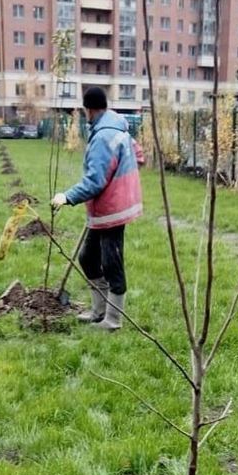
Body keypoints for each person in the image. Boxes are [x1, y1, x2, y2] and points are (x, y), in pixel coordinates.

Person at [51, 87, 143, 330]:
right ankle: (99, 311)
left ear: (88, 109)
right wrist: (124, 177)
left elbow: (95, 181)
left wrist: (66, 196)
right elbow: (139, 156)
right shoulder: (118, 129)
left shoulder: (103, 136)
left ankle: (113, 321)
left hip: (113, 210)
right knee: (88, 258)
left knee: (112, 263)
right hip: (106, 209)